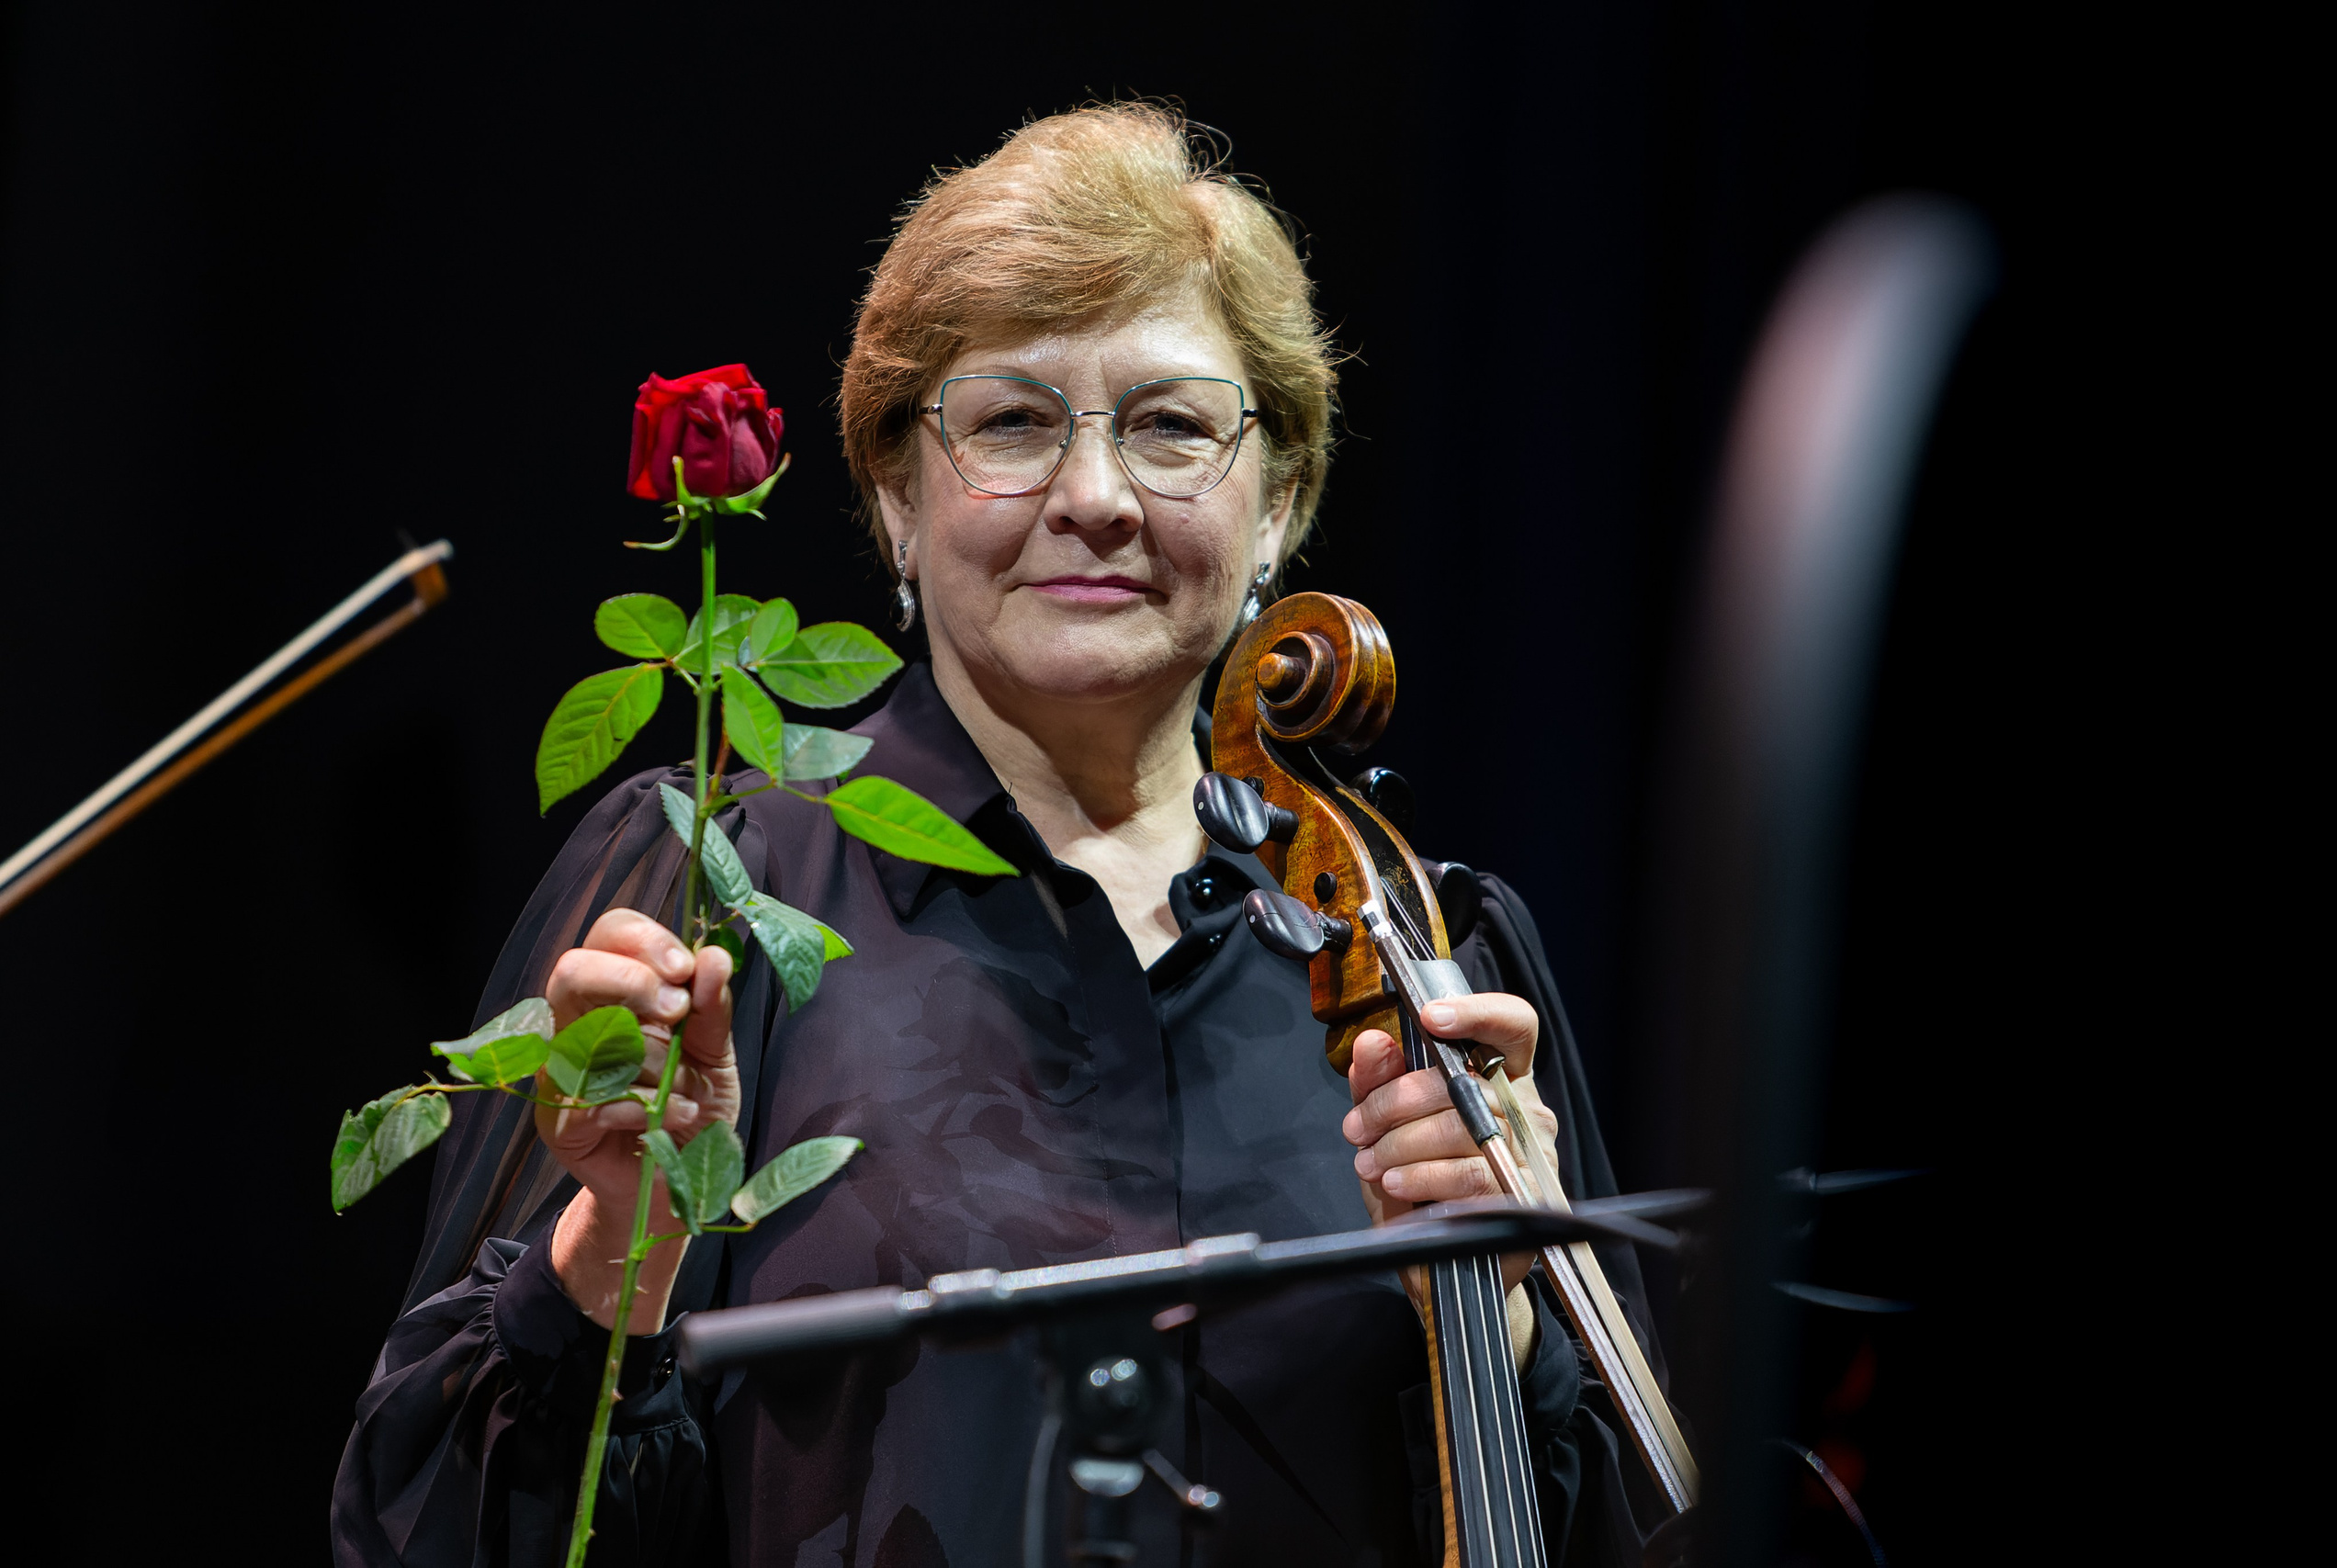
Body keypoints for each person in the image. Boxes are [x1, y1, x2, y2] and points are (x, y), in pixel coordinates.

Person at [333, 104, 1666, 1568]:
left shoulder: (1433, 957)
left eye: (1171, 427)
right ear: (898, 498)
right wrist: (614, 1254)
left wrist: (1513, 1299)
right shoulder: (722, 881)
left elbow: (1641, 1535)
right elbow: (429, 1533)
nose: (1094, 499)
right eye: (1015, 424)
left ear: (1279, 500)